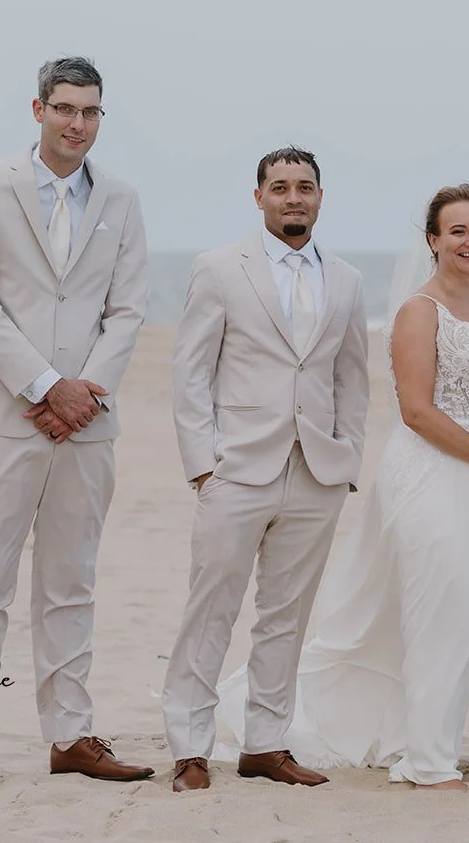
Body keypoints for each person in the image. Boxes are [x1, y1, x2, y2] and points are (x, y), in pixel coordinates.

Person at [0, 56, 151, 787]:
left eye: (91, 112)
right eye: (65, 108)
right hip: (3, 419)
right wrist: (44, 385)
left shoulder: (120, 199)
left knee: (72, 585)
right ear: (38, 111)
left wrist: (84, 393)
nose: (78, 124)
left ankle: (70, 737)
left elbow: (128, 310)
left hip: (87, 425)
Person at [287, 184, 469, 790]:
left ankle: (426, 736)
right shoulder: (419, 311)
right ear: (432, 240)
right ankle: (428, 761)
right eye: (457, 231)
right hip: (434, 478)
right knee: (441, 613)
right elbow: (417, 410)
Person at [161, 147, 369, 792]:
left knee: (288, 614)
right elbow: (191, 372)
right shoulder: (221, 269)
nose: (293, 197)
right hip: (237, 468)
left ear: (321, 196)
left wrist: (347, 455)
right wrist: (203, 466)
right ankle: (191, 747)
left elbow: (351, 376)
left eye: (304, 187)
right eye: (279, 187)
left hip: (316, 473)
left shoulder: (347, 280)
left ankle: (266, 744)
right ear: (259, 197)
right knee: (211, 608)